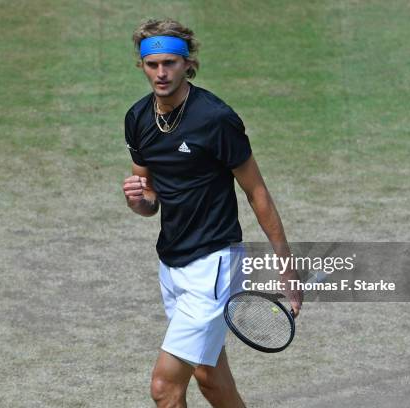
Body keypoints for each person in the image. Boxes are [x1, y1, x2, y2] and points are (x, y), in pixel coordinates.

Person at [122, 19, 303, 408]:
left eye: (170, 63)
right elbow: (149, 200)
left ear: (188, 64)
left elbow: (257, 192)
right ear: (141, 65)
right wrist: (137, 201)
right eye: (152, 64)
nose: (161, 72)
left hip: (214, 266)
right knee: (211, 380)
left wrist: (286, 266)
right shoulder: (138, 119)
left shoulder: (216, 119)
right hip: (171, 264)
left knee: (164, 389)